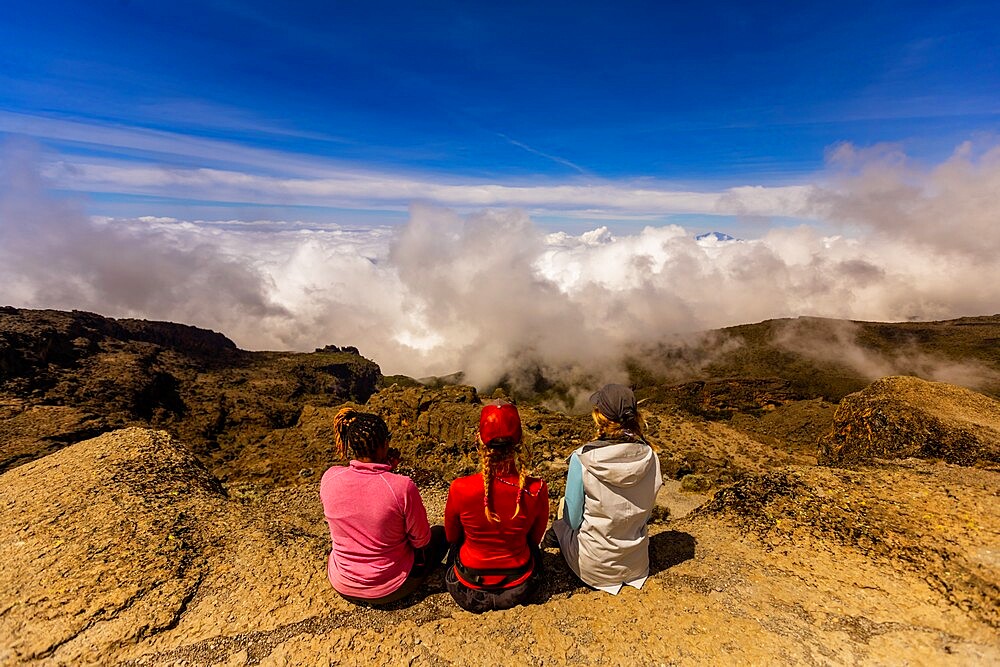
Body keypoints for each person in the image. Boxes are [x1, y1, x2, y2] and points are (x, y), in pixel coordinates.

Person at [319, 407, 447, 605]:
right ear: (385, 443)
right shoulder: (403, 487)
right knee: (440, 534)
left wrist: (386, 470)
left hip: (342, 583)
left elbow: (361, 501)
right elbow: (421, 541)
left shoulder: (330, 478)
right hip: (389, 587)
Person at [551, 384, 662, 594]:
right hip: (637, 564)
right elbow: (647, 513)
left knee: (563, 512)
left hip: (593, 569)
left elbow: (573, 521)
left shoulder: (582, 458)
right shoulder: (651, 456)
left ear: (600, 417)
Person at [444, 401, 550, 613]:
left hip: (468, 591)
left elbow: (451, 537)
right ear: (520, 442)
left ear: (480, 441)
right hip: (520, 586)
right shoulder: (537, 489)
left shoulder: (460, 487)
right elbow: (534, 540)